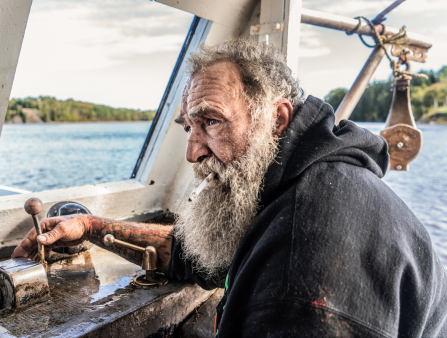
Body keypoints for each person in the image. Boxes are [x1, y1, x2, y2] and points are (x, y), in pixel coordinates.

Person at [13, 39, 447, 337]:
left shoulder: (302, 266)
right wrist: (89, 227)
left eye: (212, 122)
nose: (192, 153)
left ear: (276, 119)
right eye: (189, 127)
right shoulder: (296, 184)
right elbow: (196, 254)